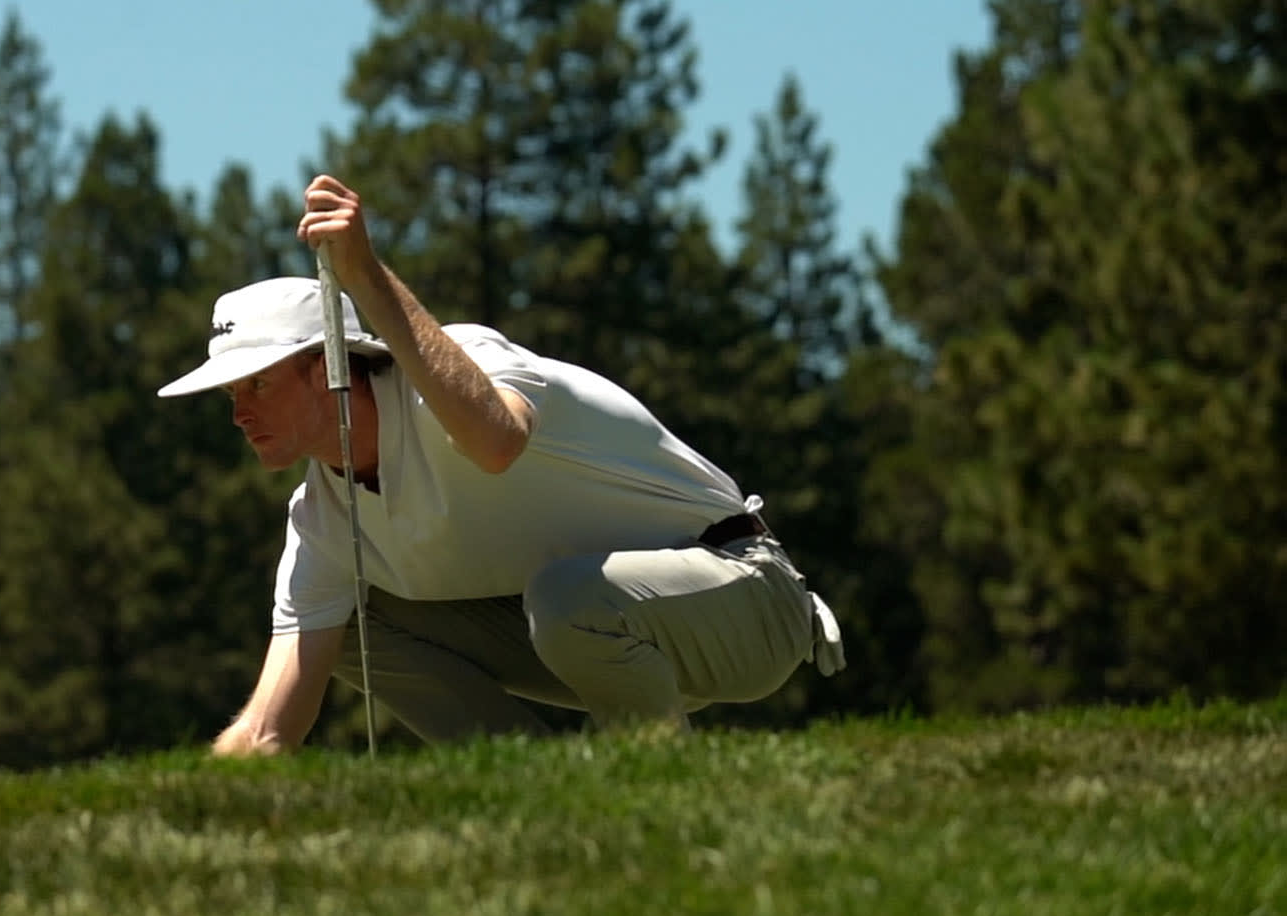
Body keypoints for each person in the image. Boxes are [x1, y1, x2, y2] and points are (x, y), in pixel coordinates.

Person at [158, 175, 844, 756]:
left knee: (567, 599)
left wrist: (366, 275)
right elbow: (268, 730)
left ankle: (662, 802)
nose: (238, 412)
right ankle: (536, 798)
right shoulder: (319, 521)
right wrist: (184, 816)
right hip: (590, 631)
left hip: (749, 597)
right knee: (346, 628)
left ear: (325, 368)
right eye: (230, 392)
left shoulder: (464, 366)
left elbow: (495, 441)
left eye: (256, 385)